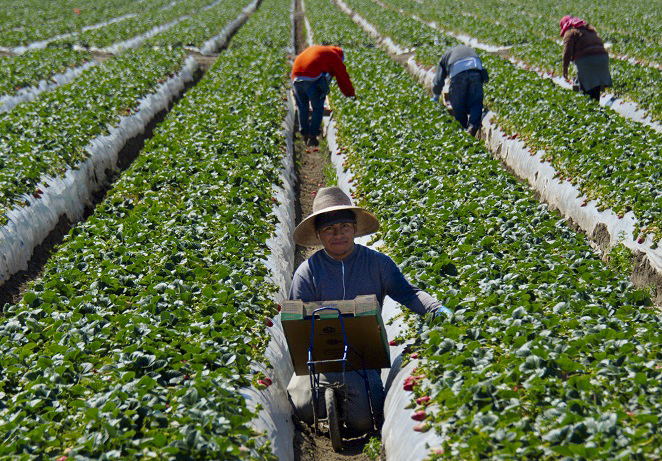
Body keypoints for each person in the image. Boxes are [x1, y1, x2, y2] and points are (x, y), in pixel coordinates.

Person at [286, 186, 451, 435]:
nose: (338, 234)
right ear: (319, 234)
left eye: (344, 227)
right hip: (319, 363)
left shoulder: (376, 263)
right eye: (329, 229)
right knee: (303, 408)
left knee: (364, 422)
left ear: (354, 229)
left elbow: (408, 293)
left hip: (363, 361)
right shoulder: (308, 272)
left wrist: (436, 309)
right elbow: (295, 320)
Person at [291, 46, 355, 146]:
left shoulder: (318, 50)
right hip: (311, 76)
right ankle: (313, 136)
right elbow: (343, 77)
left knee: (302, 106)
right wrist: (350, 94)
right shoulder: (334, 56)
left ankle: (305, 134)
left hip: (296, 75)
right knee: (317, 107)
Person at [431, 45, 488, 137]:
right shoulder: (469, 50)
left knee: (458, 104)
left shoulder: (445, 57)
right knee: (476, 102)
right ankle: (473, 126)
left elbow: (438, 79)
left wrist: (436, 96)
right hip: (475, 70)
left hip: (458, 73)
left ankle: (462, 130)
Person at [560, 15, 612, 101]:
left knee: (584, 90)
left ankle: (587, 107)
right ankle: (595, 107)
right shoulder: (591, 30)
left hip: (586, 61)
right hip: (602, 60)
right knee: (595, 88)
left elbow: (567, 51)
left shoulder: (570, 32)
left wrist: (565, 67)